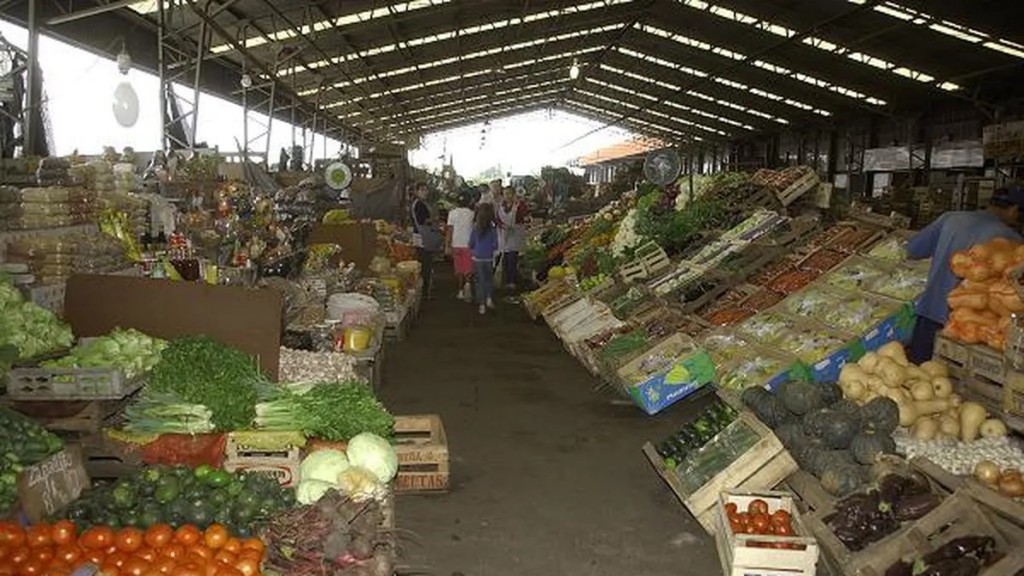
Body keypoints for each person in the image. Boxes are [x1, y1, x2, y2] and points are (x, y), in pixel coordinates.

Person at [905, 187, 1024, 363]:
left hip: (929, 312)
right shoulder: (1010, 240)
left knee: (917, 375)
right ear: (1014, 210)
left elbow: (913, 250)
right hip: (967, 327)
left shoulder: (951, 218)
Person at [410, 182, 440, 299]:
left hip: (421, 236)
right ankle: (424, 292)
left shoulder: (420, 204)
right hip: (422, 237)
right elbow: (423, 221)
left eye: (426, 190)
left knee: (425, 262)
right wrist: (434, 220)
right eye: (422, 190)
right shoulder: (419, 205)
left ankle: (425, 289)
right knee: (425, 264)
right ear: (416, 192)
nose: (425, 192)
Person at [496, 186, 528, 291]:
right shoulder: (500, 206)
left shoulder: (519, 205)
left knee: (512, 258)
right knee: (505, 258)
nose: (507, 196)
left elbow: (524, 217)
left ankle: (512, 282)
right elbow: (497, 219)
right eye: (505, 194)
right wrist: (502, 225)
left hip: (516, 235)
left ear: (513, 194)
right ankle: (507, 280)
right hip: (504, 234)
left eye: (509, 193)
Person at [469, 202, 498, 315]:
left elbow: (471, 243)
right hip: (489, 258)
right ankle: (489, 299)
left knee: (479, 281)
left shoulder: (476, 228)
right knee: (488, 280)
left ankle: (481, 305)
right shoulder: (492, 229)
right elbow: (495, 244)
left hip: (477, 258)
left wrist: (474, 248)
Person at [446, 192, 475, 301]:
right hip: (469, 245)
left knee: (459, 268)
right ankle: (468, 285)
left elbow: (449, 231)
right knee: (468, 267)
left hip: (456, 244)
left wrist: (447, 245)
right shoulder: (472, 214)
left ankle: (460, 291)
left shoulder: (452, 213)